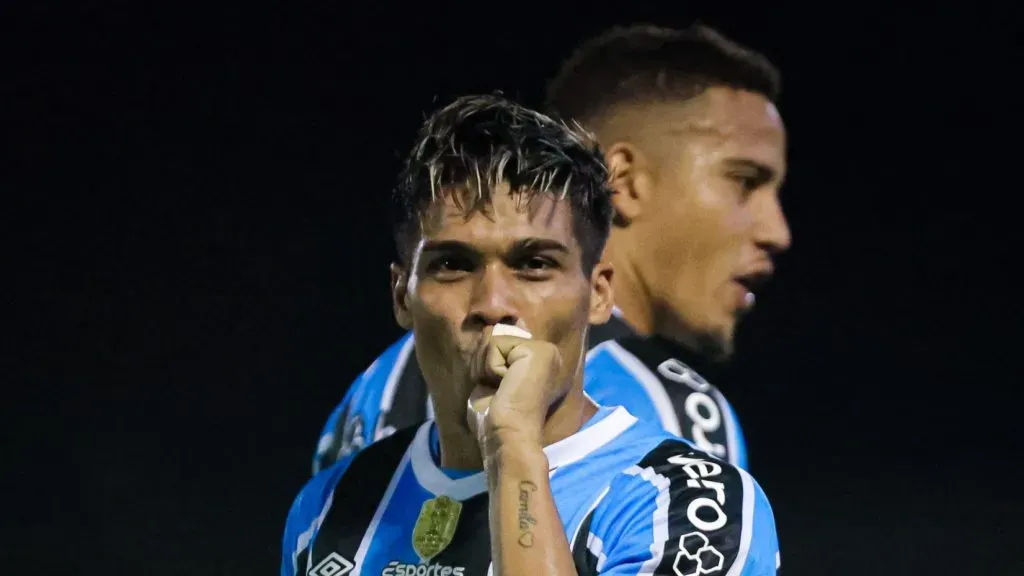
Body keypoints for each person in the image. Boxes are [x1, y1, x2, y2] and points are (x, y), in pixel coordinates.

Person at [282, 94, 780, 576]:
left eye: (534, 264)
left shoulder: (692, 506)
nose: (493, 304)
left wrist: (513, 449)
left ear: (599, 294)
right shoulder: (329, 508)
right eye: (453, 265)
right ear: (401, 297)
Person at [312, 23, 791, 475]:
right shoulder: (666, 405)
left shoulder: (374, 388)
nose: (777, 231)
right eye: (745, 181)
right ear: (623, 180)